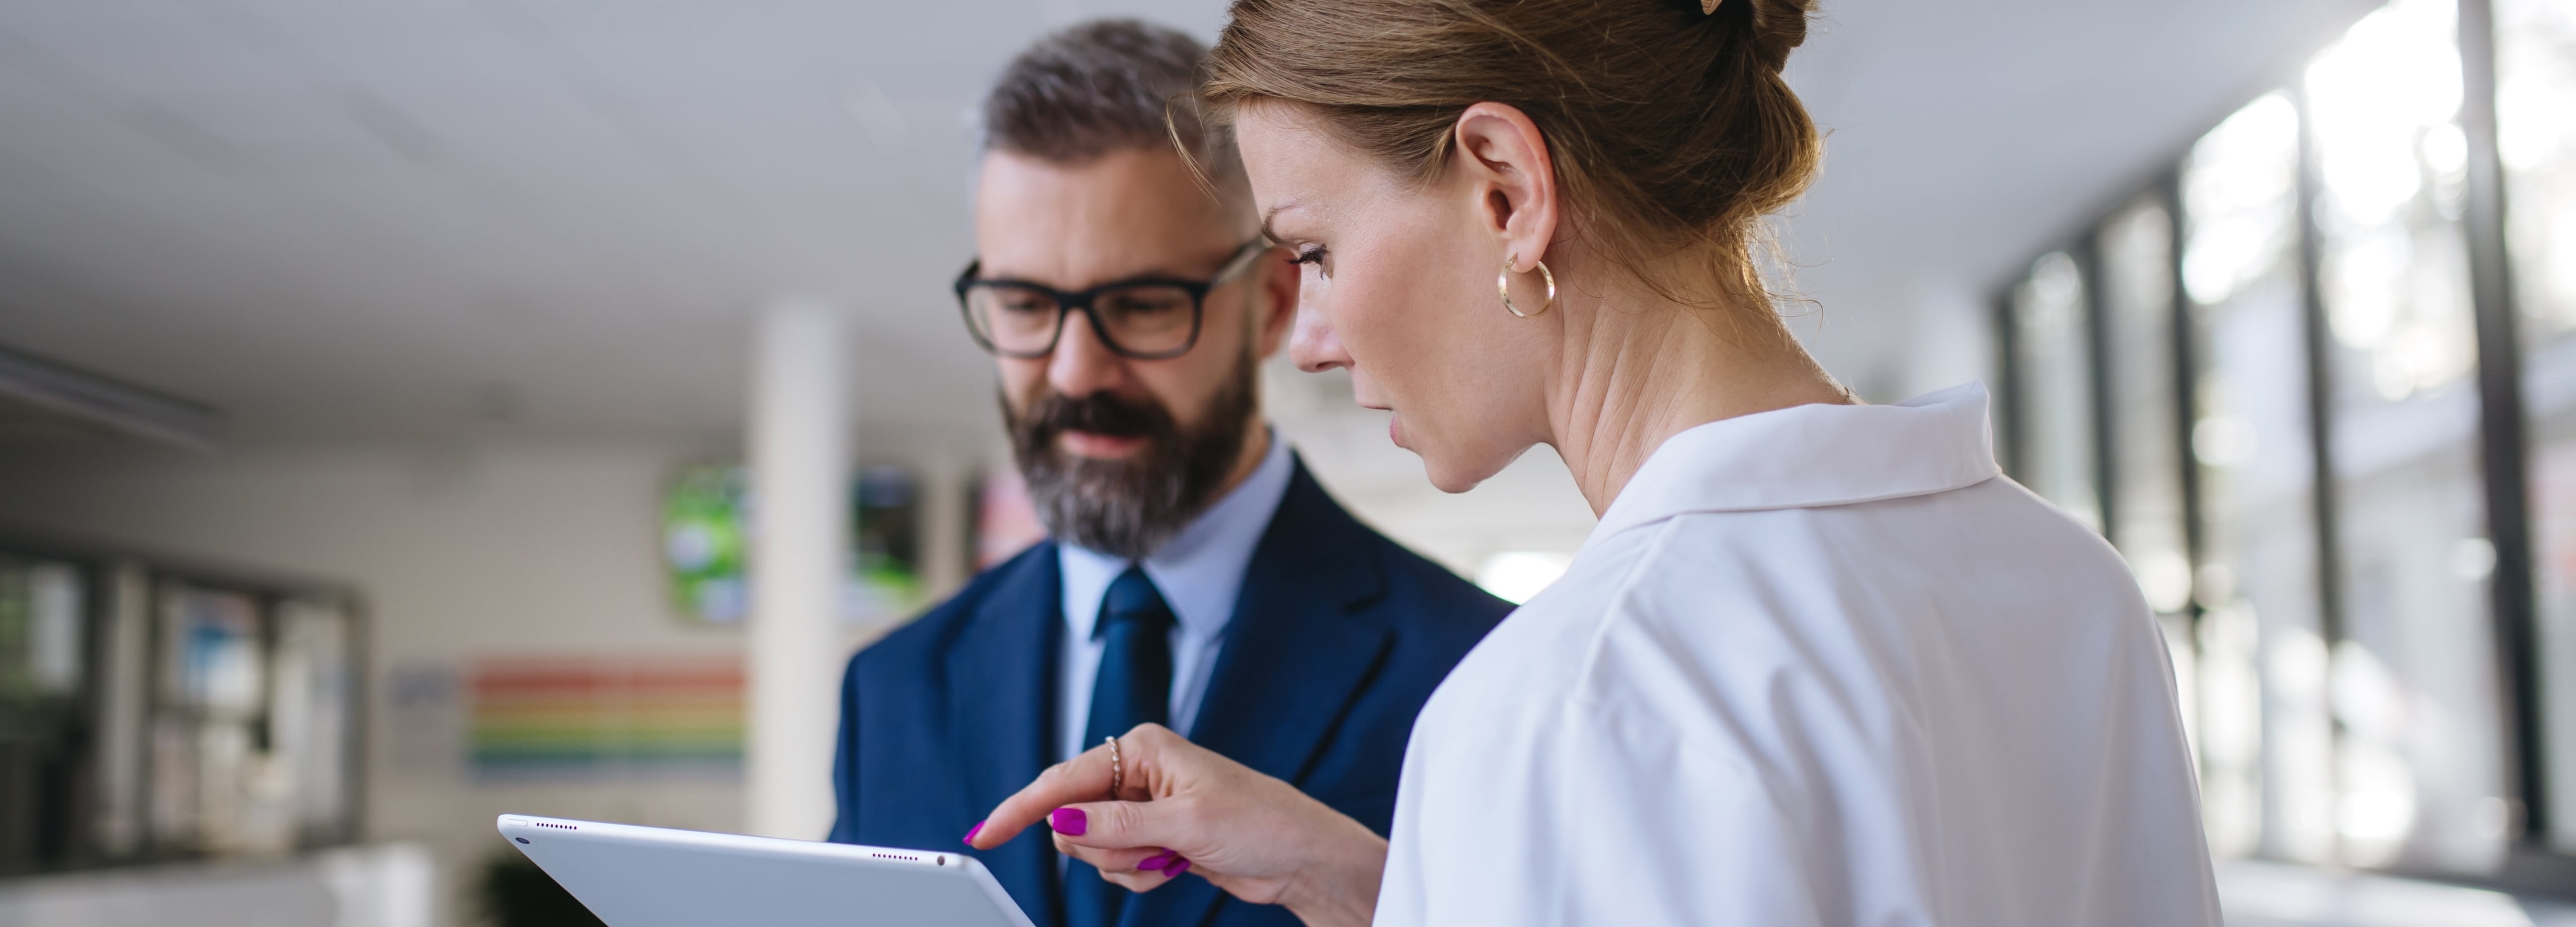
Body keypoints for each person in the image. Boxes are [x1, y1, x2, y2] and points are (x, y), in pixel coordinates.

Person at [963, 1, 2223, 925]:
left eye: (1321, 252)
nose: (1309, 342)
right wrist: (1370, 883)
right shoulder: (2072, 588)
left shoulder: (1563, 703)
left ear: (1506, 191)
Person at [827, 19, 1512, 927]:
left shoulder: (1476, 669)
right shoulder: (896, 686)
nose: (1075, 372)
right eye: (1027, 304)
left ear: (1270, 304)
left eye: (1143, 306)